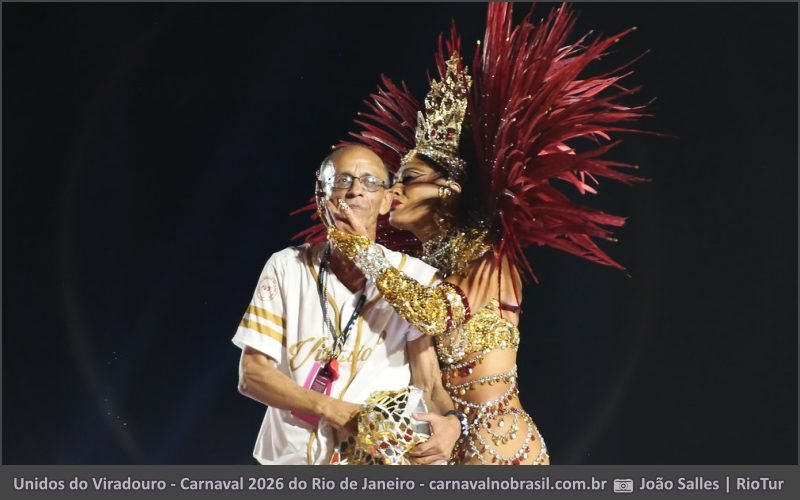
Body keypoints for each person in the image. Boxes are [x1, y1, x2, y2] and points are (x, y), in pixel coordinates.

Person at [324, 2, 651, 465]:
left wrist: (363, 248)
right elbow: (423, 375)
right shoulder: (418, 272)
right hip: (445, 451)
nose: (393, 189)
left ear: (448, 189)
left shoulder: (489, 255)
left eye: (409, 177)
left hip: (503, 450)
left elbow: (438, 313)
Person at [233, 144, 461, 465]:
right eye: (342, 180)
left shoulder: (416, 279)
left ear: (387, 200)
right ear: (321, 195)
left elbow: (429, 382)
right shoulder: (287, 267)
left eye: (370, 182)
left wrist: (452, 423)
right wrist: (335, 410)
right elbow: (253, 376)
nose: (355, 190)